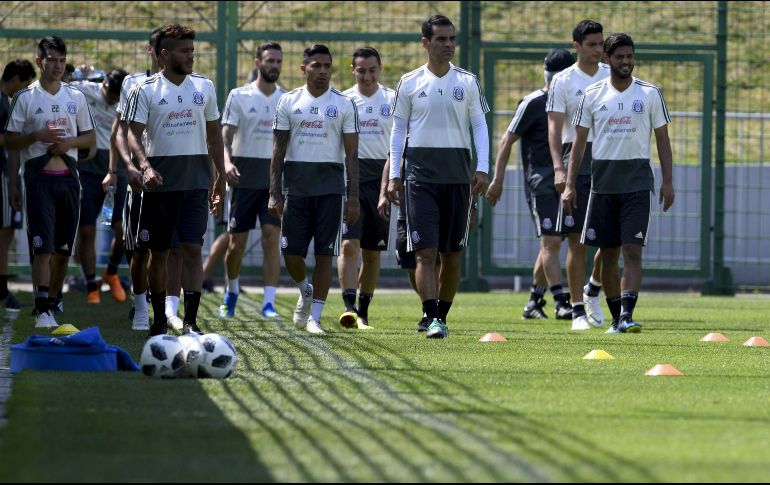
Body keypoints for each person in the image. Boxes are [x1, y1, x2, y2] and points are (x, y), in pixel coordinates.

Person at [387, 14, 490, 339]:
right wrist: (394, 173)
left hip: (458, 177)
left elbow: (480, 126)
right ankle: (431, 316)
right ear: (425, 43)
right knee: (425, 252)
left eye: (451, 39)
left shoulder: (468, 82)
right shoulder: (409, 82)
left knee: (452, 253)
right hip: (420, 177)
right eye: (441, 39)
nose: (448, 45)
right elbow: (398, 130)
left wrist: (483, 167)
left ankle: (441, 315)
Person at [564, 32, 674, 333]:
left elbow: (662, 139)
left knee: (632, 249)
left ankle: (626, 314)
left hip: (637, 183)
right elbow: (579, 143)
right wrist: (571, 183)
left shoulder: (649, 93)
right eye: (620, 57)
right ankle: (616, 317)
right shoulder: (593, 94)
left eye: (630, 56)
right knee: (608, 252)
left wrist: (668, 181)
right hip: (602, 185)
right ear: (607, 59)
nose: (626, 62)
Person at [124, 23, 226, 336]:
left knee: (192, 250)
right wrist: (144, 166)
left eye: (193, 50)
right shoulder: (146, 90)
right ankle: (157, 320)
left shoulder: (204, 87)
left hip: (195, 183)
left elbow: (214, 136)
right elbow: (132, 134)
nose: (191, 56)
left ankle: (191, 321)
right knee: (158, 254)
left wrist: (219, 176)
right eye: (184, 51)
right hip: (159, 186)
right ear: (164, 54)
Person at [5, 36, 96, 328]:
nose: (57, 66)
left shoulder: (76, 97)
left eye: (61, 60)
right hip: (38, 182)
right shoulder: (25, 98)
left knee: (62, 252)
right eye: (51, 60)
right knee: (42, 248)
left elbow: (89, 139)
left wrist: (69, 142)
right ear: (39, 62)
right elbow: (10, 141)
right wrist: (36, 137)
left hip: (69, 180)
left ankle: (54, 301)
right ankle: (42, 308)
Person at [269, 44, 360, 335]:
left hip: (331, 189)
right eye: (316, 66)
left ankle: (315, 318)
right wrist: (274, 192)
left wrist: (353, 196)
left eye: (327, 66)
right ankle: (304, 290)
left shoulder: (344, 104)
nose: (322, 71)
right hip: (296, 188)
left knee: (324, 255)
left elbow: (352, 155)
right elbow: (277, 151)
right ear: (303, 68)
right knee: (290, 253)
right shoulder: (288, 101)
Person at [486, 49, 575, 322]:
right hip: (541, 183)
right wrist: (498, 180)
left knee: (556, 243)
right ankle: (562, 301)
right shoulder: (534, 102)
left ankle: (534, 301)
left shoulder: (575, 101)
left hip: (569, 183)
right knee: (550, 241)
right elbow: (506, 140)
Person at [547, 19, 609, 330]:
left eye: (601, 44)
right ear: (577, 46)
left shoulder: (612, 76)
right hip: (577, 161)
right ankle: (577, 310)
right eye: (592, 45)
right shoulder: (562, 81)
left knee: (614, 242)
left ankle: (594, 288)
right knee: (577, 241)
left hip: (610, 159)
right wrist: (559, 168)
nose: (598, 50)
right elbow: (555, 128)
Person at [218, 41, 286, 319]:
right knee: (236, 245)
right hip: (243, 179)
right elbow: (224, 136)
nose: (274, 66)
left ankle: (269, 302)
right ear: (258, 63)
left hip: (272, 182)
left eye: (278, 61)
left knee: (272, 238)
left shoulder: (287, 98)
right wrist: (225, 162)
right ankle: (231, 290)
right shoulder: (239, 95)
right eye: (269, 60)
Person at [337, 46, 395, 330]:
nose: (367, 76)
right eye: (361, 71)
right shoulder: (344, 100)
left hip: (382, 181)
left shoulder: (393, 100)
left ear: (380, 69)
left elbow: (397, 147)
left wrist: (390, 185)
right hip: (351, 180)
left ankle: (364, 312)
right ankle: (348, 308)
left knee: (372, 253)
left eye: (372, 70)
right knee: (349, 245)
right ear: (352, 70)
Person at [109, 26, 162, 331]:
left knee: (168, 249)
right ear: (152, 50)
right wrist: (124, 168)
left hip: (171, 178)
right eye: (159, 48)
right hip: (138, 180)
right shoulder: (134, 83)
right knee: (139, 249)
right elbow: (120, 131)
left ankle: (165, 308)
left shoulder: (188, 86)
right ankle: (140, 306)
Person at [71, 68, 129, 305]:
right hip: (88, 171)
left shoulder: (128, 99)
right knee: (86, 230)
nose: (114, 100)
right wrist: (77, 72)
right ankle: (90, 284)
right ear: (104, 84)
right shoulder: (85, 90)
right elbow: (62, 85)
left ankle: (112, 272)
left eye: (118, 98)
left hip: (116, 173)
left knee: (122, 231)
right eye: (111, 96)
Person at [0, 59, 36, 319]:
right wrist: (29, 137)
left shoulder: (5, 100)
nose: (23, 90)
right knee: (5, 232)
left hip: (5, 174)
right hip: (0, 173)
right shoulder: (2, 100)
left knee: (7, 232)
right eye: (24, 84)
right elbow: (7, 139)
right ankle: (2, 291)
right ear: (16, 78)